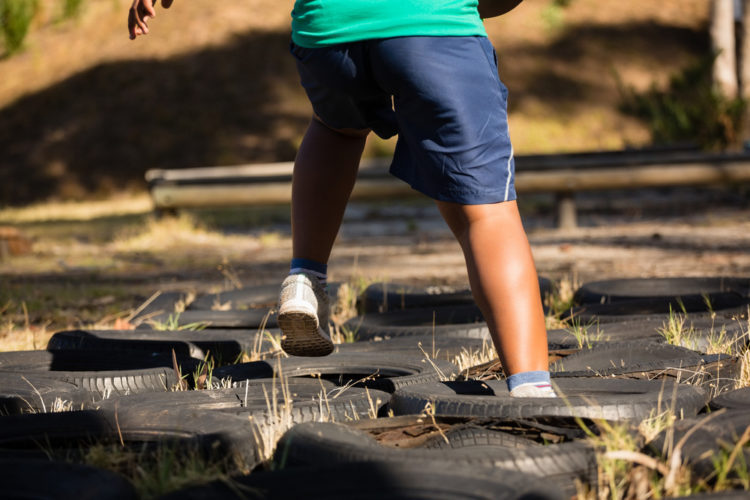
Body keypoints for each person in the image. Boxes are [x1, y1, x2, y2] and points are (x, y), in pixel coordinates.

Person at [128, 0, 556, 397]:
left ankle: (304, 278)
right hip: (431, 25)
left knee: (337, 127)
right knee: (487, 216)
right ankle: (532, 389)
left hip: (328, 32)